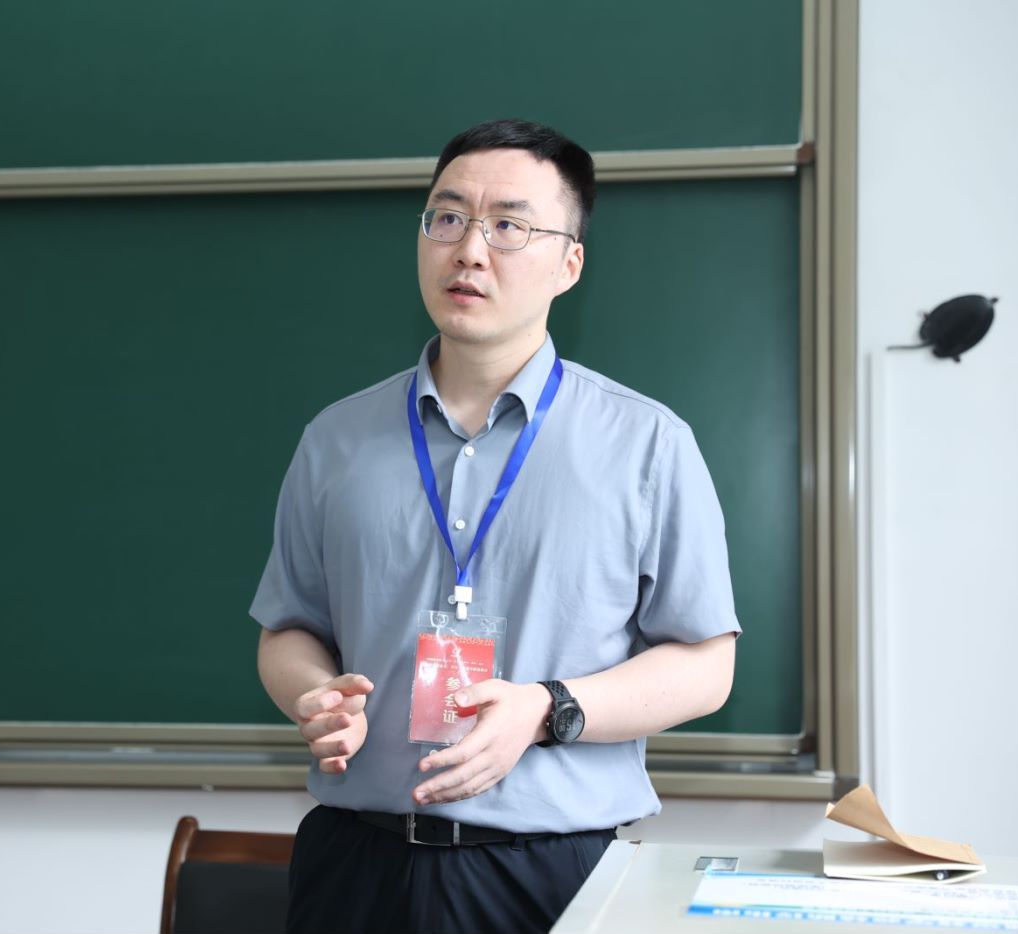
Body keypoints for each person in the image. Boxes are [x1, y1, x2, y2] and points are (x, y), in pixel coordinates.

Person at [250, 118, 741, 934]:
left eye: (510, 226)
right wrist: (314, 693)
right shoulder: (336, 439)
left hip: (553, 871)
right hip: (355, 865)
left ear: (569, 263)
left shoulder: (647, 444)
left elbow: (705, 665)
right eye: (448, 218)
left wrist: (549, 709)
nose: (470, 250)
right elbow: (289, 628)